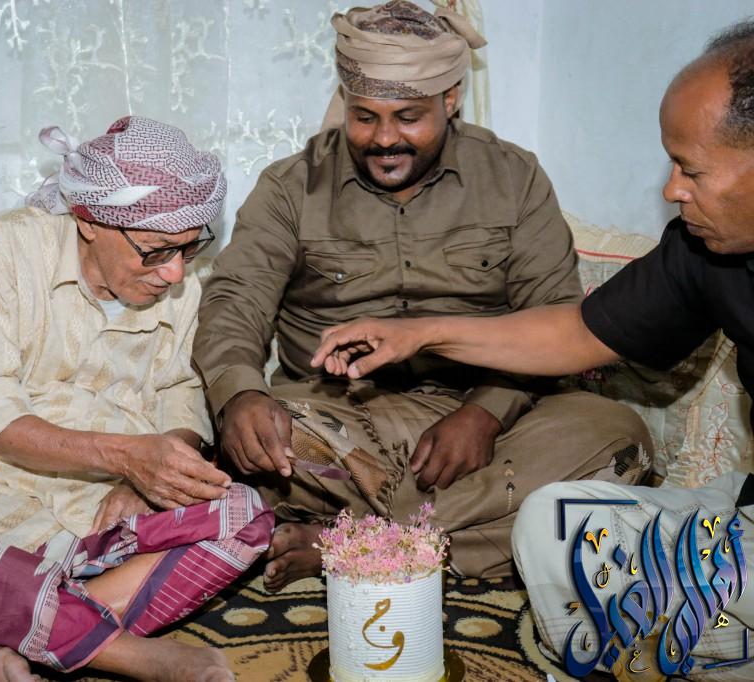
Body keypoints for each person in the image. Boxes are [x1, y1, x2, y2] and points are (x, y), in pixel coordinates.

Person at [312, 19, 754, 678]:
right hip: (742, 515)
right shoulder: (706, 252)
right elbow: (576, 333)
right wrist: (421, 332)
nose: (671, 190)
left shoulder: (512, 176)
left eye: (690, 169)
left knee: (659, 532)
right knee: (554, 522)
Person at [193, 0, 651, 591]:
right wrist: (240, 395)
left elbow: (555, 320)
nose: (384, 138)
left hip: (485, 420)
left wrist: (485, 414)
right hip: (339, 418)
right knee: (262, 444)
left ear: (451, 99)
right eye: (364, 117)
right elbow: (236, 299)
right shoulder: (292, 186)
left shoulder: (513, 178)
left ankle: (349, 540)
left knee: (617, 438)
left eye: (408, 117)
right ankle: (442, 535)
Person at [0, 117, 273, 682]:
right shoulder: (6, 251)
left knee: (244, 512)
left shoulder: (183, 288)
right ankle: (127, 654)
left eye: (191, 247)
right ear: (89, 220)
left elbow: (181, 396)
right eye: (157, 251)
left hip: (107, 518)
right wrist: (127, 456)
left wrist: (150, 474)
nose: (174, 272)